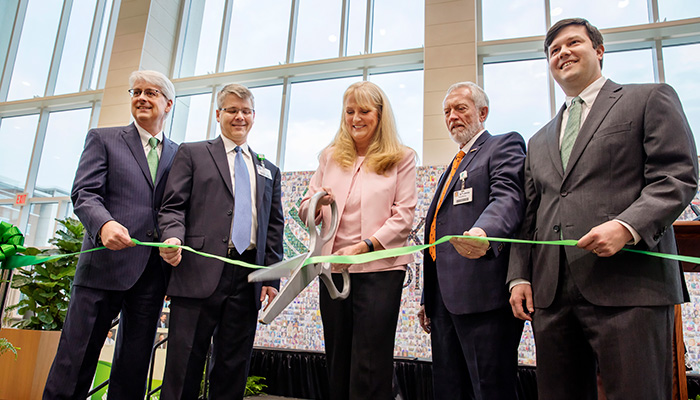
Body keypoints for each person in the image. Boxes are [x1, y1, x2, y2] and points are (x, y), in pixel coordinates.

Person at [507, 18, 699, 399]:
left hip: (629, 285)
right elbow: (530, 215)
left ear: (599, 50)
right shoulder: (538, 138)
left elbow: (676, 175)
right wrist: (519, 276)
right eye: (553, 50)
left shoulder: (648, 97)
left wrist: (627, 226)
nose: (562, 53)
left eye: (572, 43)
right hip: (552, 296)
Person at [43, 70, 178, 399]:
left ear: (169, 104)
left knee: (133, 369)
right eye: (136, 91)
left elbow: (177, 207)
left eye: (151, 92)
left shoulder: (179, 154)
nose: (141, 97)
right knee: (74, 363)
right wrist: (104, 225)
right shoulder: (102, 138)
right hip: (102, 268)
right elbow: (85, 194)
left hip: (149, 275)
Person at [158, 83, 283, 400]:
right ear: (218, 114)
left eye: (245, 111)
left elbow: (274, 227)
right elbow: (173, 206)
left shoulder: (268, 169)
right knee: (184, 363)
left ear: (253, 116)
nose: (239, 117)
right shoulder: (193, 153)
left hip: (248, 277)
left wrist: (272, 277)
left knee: (233, 365)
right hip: (197, 272)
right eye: (232, 110)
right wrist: (172, 235)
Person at [298, 81, 417, 400]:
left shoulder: (401, 157)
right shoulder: (329, 156)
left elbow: (403, 216)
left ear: (380, 115)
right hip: (334, 270)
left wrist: (364, 248)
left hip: (380, 270)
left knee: (370, 360)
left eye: (364, 111)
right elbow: (305, 209)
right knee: (337, 356)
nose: (355, 118)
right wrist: (317, 204)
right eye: (349, 111)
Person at [417, 81, 526, 399]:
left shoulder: (503, 145)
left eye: (460, 108)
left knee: (490, 389)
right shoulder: (453, 166)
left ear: (483, 112)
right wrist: (428, 295)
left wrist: (484, 231)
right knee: (450, 389)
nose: (452, 116)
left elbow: (509, 197)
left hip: (483, 297)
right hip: (443, 302)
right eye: (447, 111)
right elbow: (438, 231)